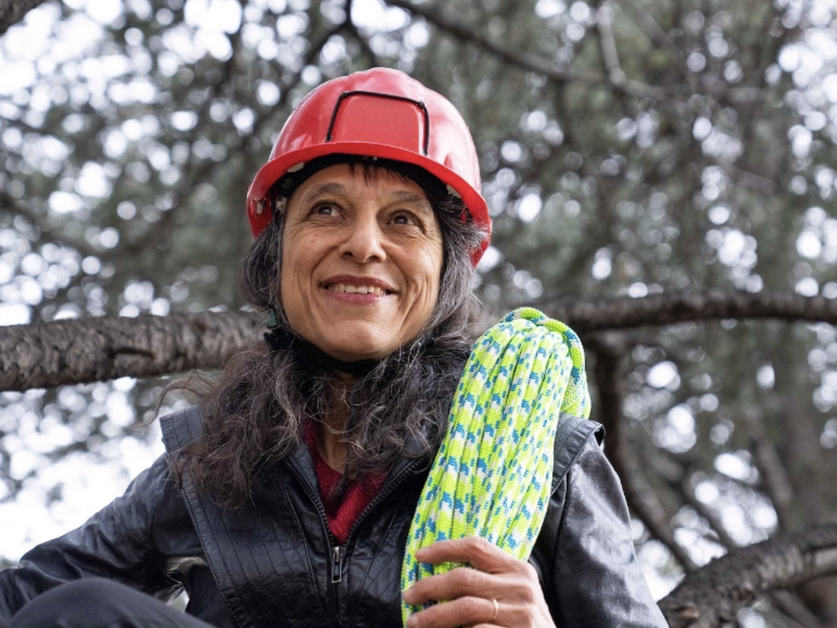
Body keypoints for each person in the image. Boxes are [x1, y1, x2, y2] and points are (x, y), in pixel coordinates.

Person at [0, 68, 667, 628]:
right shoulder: (206, 462)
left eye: (403, 220)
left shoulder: (545, 455)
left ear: (447, 271)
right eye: (325, 210)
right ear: (278, 252)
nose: (364, 244)